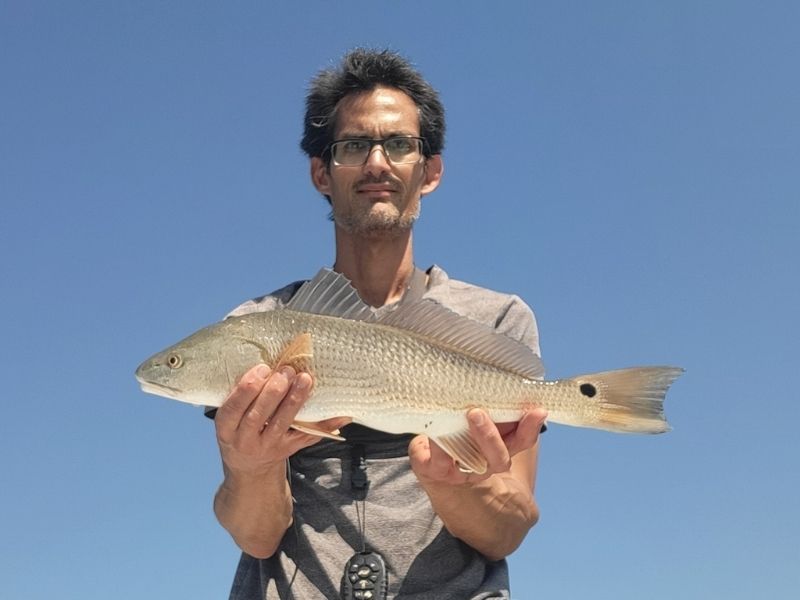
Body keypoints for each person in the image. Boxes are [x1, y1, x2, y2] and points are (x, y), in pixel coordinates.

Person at [210, 48, 548, 599]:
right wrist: (250, 467)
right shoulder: (259, 326)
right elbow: (255, 533)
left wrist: (456, 487)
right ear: (321, 172)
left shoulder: (498, 319)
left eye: (399, 144)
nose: (376, 163)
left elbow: (507, 530)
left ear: (430, 170)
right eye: (353, 146)